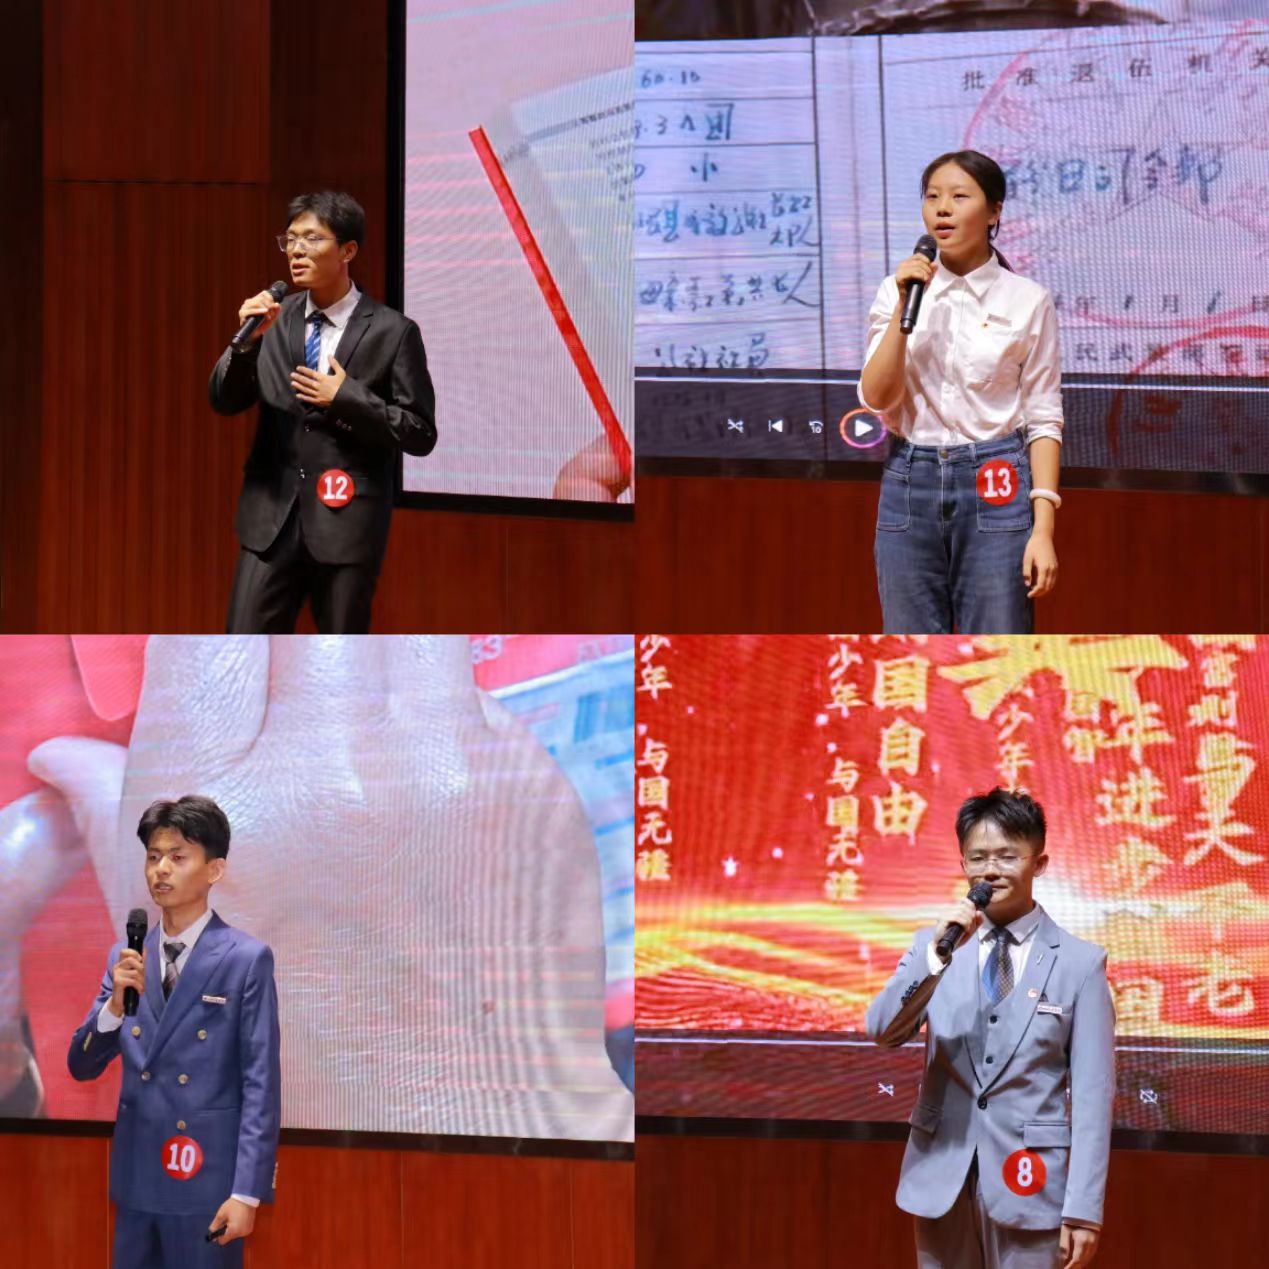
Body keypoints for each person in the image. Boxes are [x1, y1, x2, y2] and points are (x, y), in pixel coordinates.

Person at [865, 788, 1114, 1269]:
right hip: (942, 1176)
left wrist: (1083, 1209)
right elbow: (883, 1030)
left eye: (1007, 856)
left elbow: (1092, 1096)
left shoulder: (1080, 964)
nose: (990, 870)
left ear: (1039, 863)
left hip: (1032, 1180)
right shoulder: (936, 948)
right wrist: (934, 959)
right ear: (963, 865)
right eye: (977, 858)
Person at [209, 191, 437, 634]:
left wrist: (347, 398)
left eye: (312, 239)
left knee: (340, 657)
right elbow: (224, 400)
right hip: (269, 522)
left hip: (346, 523)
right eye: (291, 239)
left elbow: (420, 433)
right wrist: (246, 346)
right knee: (242, 645)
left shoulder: (393, 332)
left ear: (347, 250)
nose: (296, 250)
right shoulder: (273, 318)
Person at [68, 796, 280, 1268]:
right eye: (153, 856)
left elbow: (260, 1084)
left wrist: (247, 1193)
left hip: (207, 1180)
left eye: (178, 857)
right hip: (139, 1176)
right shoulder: (126, 958)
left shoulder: (245, 959)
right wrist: (113, 1009)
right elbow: (80, 1065)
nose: (161, 869)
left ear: (214, 870)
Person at [859, 151, 1064, 634]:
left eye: (959, 196)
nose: (942, 209)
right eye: (932, 197)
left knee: (997, 643)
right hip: (910, 478)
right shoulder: (898, 289)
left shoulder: (1027, 299)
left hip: (996, 480)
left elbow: (1043, 418)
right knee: (910, 647)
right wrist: (902, 311)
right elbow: (876, 398)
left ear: (994, 211)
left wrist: (1043, 530)